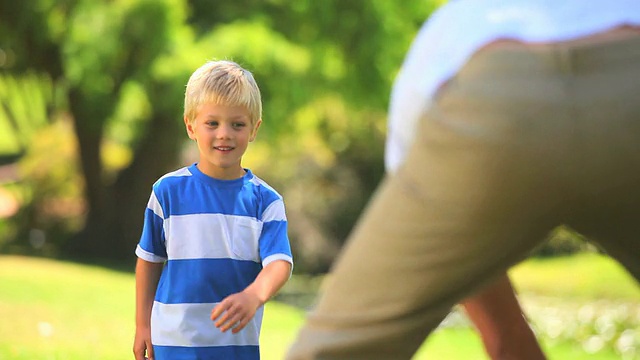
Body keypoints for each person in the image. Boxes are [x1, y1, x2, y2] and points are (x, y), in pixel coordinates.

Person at [287, 0, 640, 359]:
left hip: (489, 80)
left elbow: (432, 202)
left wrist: (507, 337)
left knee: (334, 350)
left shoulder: (457, 26)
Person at [133, 60, 293, 360]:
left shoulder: (266, 201)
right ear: (191, 125)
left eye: (237, 124)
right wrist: (143, 324)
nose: (224, 134)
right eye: (212, 123)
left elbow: (279, 264)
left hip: (235, 348)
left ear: (254, 129)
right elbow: (149, 260)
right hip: (173, 344)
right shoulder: (167, 192)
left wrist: (254, 295)